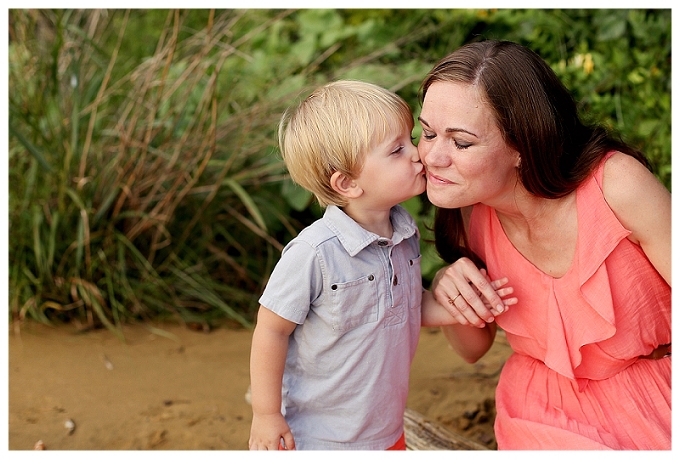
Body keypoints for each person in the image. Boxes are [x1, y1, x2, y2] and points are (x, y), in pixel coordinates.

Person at [417, 40, 671, 450]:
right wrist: (448, 286)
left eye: (460, 142)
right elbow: (471, 349)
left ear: (522, 145)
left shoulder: (616, 185)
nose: (432, 156)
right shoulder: (469, 209)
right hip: (541, 409)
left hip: (658, 391)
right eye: (427, 133)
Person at [248, 80, 514, 450]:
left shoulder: (403, 232)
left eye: (410, 139)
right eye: (397, 150)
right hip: (319, 437)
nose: (418, 155)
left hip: (385, 431)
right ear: (348, 183)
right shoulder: (315, 253)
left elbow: (404, 304)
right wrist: (266, 414)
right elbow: (271, 329)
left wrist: (465, 305)